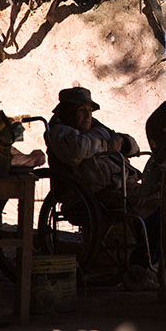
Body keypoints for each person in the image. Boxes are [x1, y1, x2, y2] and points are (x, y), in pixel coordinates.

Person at [46, 86, 160, 267]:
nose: (88, 116)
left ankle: (145, 263)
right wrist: (106, 143)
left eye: (90, 111)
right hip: (89, 195)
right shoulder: (60, 131)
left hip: (117, 187)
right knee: (152, 207)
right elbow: (79, 148)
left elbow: (131, 145)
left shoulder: (95, 127)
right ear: (68, 112)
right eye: (82, 111)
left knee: (163, 202)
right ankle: (141, 265)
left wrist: (120, 141)